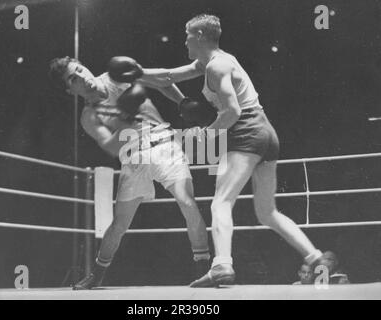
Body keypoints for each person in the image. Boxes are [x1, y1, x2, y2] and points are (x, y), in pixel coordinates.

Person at [140, 14, 337, 287]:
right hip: (265, 132)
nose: (184, 40)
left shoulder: (217, 67)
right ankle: (316, 259)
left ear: (199, 36)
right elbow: (169, 76)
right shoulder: (213, 61)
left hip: (245, 132)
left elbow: (232, 111)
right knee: (267, 212)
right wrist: (137, 73)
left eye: (187, 35)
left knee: (221, 201)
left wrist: (206, 134)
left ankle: (221, 265)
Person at [48, 56, 210, 289]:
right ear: (69, 89)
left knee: (188, 203)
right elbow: (113, 146)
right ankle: (97, 274)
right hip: (132, 157)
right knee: (119, 224)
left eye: (81, 70)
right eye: (73, 79)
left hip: (164, 144)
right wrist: (125, 115)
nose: (82, 78)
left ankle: (203, 268)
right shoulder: (89, 116)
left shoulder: (117, 75)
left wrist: (182, 100)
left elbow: (163, 78)